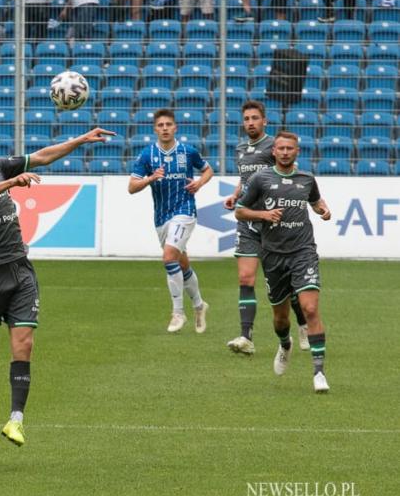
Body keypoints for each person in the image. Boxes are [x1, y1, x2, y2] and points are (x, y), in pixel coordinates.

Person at [0, 123, 113, 461]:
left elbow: (42, 157)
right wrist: (11, 183)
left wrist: (79, 139)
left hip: (20, 269)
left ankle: (15, 420)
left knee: (24, 343)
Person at [235, 131, 333, 393]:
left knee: (310, 308)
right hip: (273, 255)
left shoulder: (306, 179)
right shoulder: (260, 179)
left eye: (290, 148)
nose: (286, 152)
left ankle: (319, 372)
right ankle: (285, 344)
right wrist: (263, 214)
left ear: (297, 151)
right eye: (281, 148)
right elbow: (240, 211)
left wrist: (323, 210)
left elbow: (315, 201)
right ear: (274, 152)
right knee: (280, 318)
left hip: (303, 251)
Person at [223, 101, 310, 355]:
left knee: (288, 286)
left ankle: (303, 325)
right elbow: (245, 180)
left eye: (254, 118)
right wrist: (236, 194)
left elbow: (287, 174)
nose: (250, 122)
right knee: (245, 278)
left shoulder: (273, 146)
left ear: (265, 121)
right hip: (250, 221)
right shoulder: (240, 148)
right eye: (246, 118)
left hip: (276, 225)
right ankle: (246, 337)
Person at [128, 108, 213, 333]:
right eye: (160, 125)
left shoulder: (188, 151)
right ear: (155, 129)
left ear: (175, 127)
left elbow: (208, 170)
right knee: (181, 264)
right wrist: (150, 178)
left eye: (168, 124)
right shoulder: (147, 155)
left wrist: (199, 183)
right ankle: (199, 305)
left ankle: (178, 313)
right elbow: (131, 187)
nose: (165, 128)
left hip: (185, 211)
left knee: (168, 258)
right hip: (162, 217)